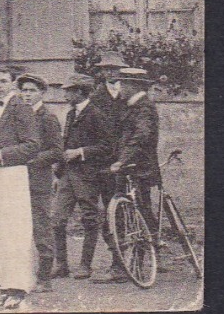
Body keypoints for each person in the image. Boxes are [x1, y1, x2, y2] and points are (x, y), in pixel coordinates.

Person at [0, 64, 42, 310]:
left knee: (16, 232)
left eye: (3, 81)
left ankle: (19, 289)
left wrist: (0, 155)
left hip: (13, 174)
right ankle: (4, 288)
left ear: (13, 84)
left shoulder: (21, 108)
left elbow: (32, 145)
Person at [98, 66, 161, 284]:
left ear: (133, 86)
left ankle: (133, 264)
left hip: (138, 169)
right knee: (131, 214)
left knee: (137, 215)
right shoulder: (131, 106)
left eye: (122, 84)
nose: (119, 88)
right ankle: (133, 262)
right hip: (129, 168)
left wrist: (122, 161)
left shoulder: (144, 108)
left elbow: (141, 137)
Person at [53, 73, 114, 279]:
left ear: (80, 92)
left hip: (88, 176)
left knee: (89, 219)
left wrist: (80, 152)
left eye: (68, 90)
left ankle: (85, 266)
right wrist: (59, 169)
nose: (65, 94)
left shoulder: (96, 114)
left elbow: (107, 147)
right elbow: (65, 144)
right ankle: (61, 265)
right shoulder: (71, 114)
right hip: (67, 176)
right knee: (57, 220)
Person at [17, 73, 64, 291]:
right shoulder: (18, 116)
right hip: (17, 180)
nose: (27, 94)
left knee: (41, 228)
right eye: (24, 90)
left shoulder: (47, 118)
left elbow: (56, 151)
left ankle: (45, 277)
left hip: (38, 181)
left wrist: (30, 161)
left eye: (31, 91)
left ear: (42, 93)